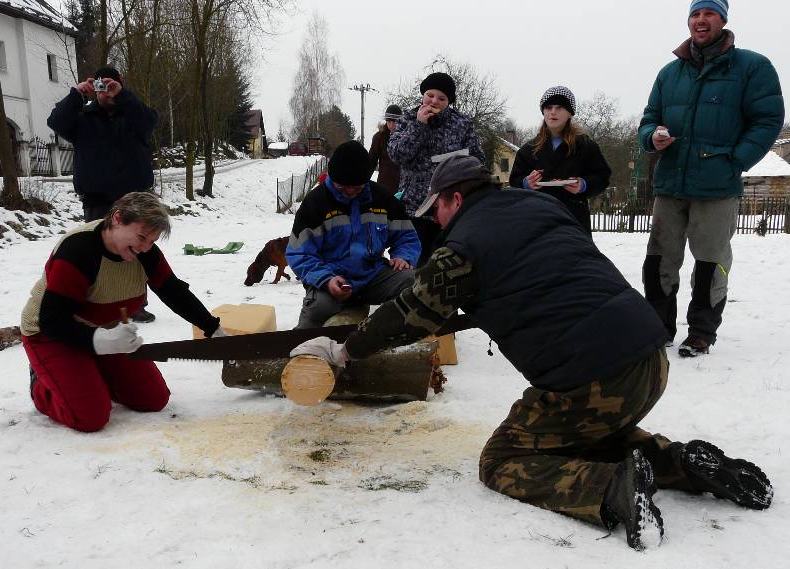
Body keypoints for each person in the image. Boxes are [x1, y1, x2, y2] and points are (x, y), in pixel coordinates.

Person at [291, 154, 773, 551]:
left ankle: (613, 489)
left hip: (592, 377)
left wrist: (345, 351)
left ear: (455, 198)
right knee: (574, 433)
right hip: (648, 356)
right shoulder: (539, 206)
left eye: (437, 208)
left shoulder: (462, 248)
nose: (434, 219)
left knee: (502, 460)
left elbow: (410, 315)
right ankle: (681, 463)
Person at [639, 0, 784, 357]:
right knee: (658, 260)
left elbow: (768, 120)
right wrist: (652, 136)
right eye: (695, 14)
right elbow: (649, 118)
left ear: (723, 19)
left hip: (717, 186)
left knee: (709, 262)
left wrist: (735, 160)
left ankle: (701, 333)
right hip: (671, 182)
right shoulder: (669, 73)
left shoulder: (752, 67)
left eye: (709, 13)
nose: (700, 20)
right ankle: (657, 329)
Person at [20, 192, 226, 432]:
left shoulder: (145, 253)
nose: (145, 247)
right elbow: (52, 320)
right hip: (52, 335)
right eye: (141, 237)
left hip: (105, 332)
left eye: (152, 241)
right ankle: (41, 385)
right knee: (90, 417)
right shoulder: (78, 250)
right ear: (117, 219)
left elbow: (173, 291)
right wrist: (98, 340)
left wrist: (212, 327)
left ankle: (89, 374)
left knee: (153, 399)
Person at [47, 65, 159, 323]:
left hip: (133, 199)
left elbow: (149, 122)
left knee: (137, 250)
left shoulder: (133, 115)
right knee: (99, 254)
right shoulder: (83, 118)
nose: (105, 91)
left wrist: (122, 95)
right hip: (96, 199)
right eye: (100, 86)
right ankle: (101, 302)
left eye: (110, 85)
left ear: (120, 84)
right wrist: (76, 94)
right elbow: (56, 122)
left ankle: (136, 303)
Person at [286, 140, 422, 329]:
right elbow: (299, 253)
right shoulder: (315, 203)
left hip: (373, 275)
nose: (350, 192)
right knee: (318, 308)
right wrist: (326, 279)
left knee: (414, 283)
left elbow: (407, 237)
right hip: (332, 278)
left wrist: (403, 256)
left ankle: (397, 334)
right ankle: (303, 344)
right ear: (332, 177)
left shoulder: (382, 198)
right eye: (342, 187)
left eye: (357, 187)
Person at [388, 72, 485, 264]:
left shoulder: (462, 124)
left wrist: (457, 164)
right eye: (430, 95)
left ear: (448, 102)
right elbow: (397, 155)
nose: (434, 101)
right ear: (423, 95)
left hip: (450, 209)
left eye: (441, 98)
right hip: (415, 208)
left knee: (449, 265)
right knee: (416, 265)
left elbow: (478, 161)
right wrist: (419, 126)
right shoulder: (407, 119)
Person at [509, 86, 611, 234]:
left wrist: (583, 185)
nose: (553, 112)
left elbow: (602, 176)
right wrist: (526, 183)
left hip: (573, 219)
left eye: (559, 107)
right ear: (543, 111)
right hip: (537, 222)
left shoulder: (585, 146)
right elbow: (515, 179)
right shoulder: (528, 149)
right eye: (548, 107)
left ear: (570, 113)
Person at [368, 104, 403, 194]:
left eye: (394, 122)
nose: (391, 125)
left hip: (404, 187)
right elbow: (371, 161)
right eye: (389, 121)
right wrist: (363, 182)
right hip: (384, 186)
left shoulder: (407, 136)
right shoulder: (379, 137)